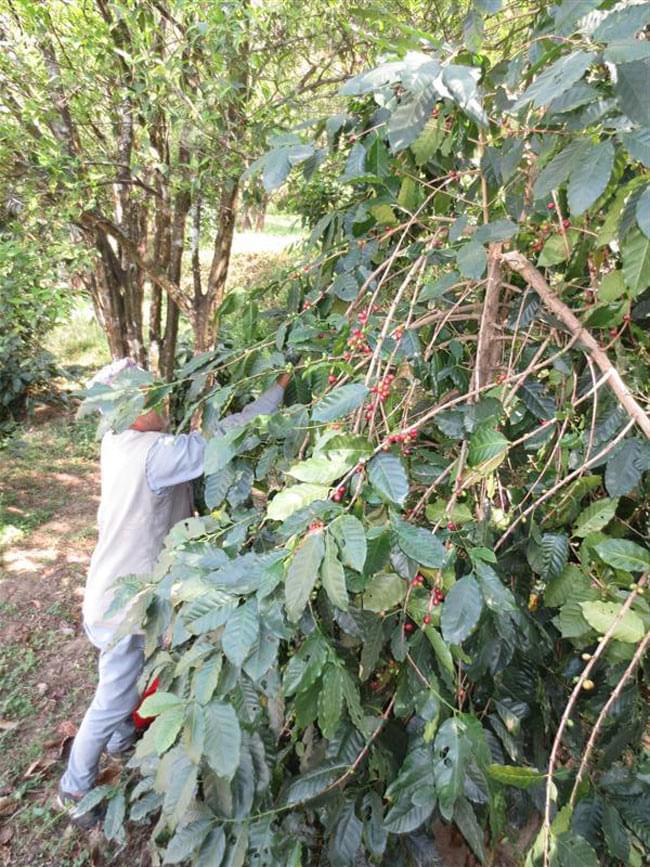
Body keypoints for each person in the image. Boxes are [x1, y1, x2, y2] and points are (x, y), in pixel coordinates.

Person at [57, 359, 290, 827]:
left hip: (115, 591)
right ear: (134, 407)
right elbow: (225, 438)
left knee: (131, 677)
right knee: (115, 694)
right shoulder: (153, 454)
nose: (166, 402)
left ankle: (124, 740)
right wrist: (275, 392)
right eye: (154, 396)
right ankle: (73, 787)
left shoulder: (118, 443)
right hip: (124, 606)